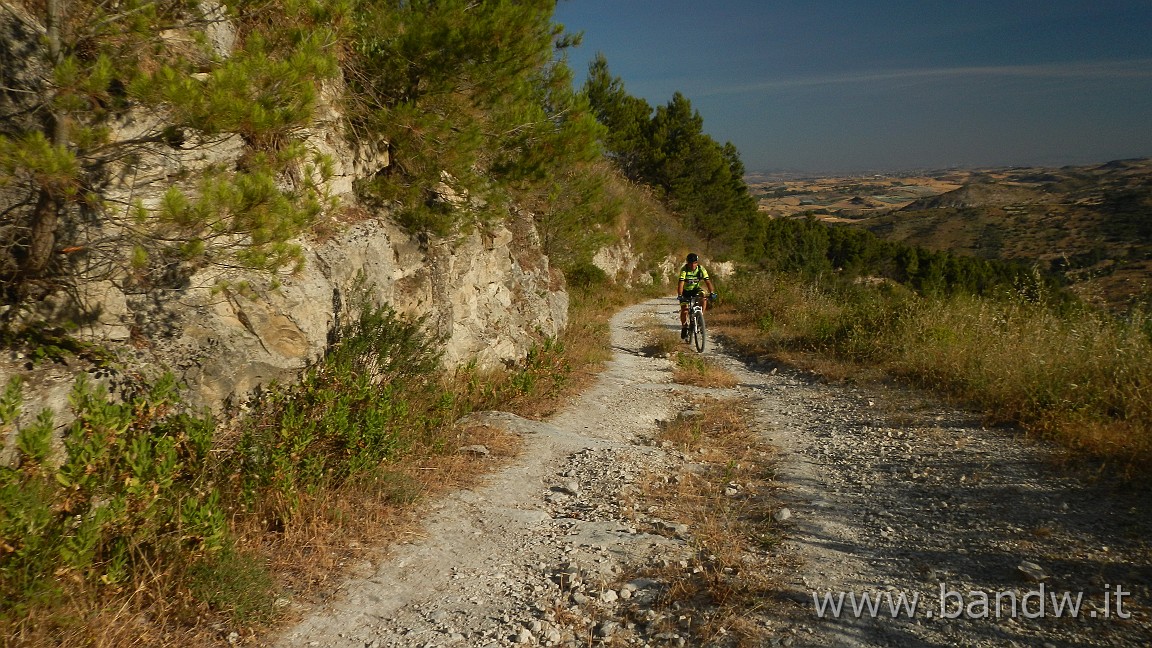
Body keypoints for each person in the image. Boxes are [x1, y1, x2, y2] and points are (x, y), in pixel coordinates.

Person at [677, 253, 716, 340]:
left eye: (694, 263)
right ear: (687, 263)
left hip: (695, 289)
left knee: (703, 296)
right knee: (684, 310)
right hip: (685, 291)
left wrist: (712, 292)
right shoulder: (684, 270)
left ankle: (700, 317)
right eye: (690, 263)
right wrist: (680, 295)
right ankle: (684, 326)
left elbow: (708, 281)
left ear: (697, 263)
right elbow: (681, 283)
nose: (692, 265)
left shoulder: (701, 269)